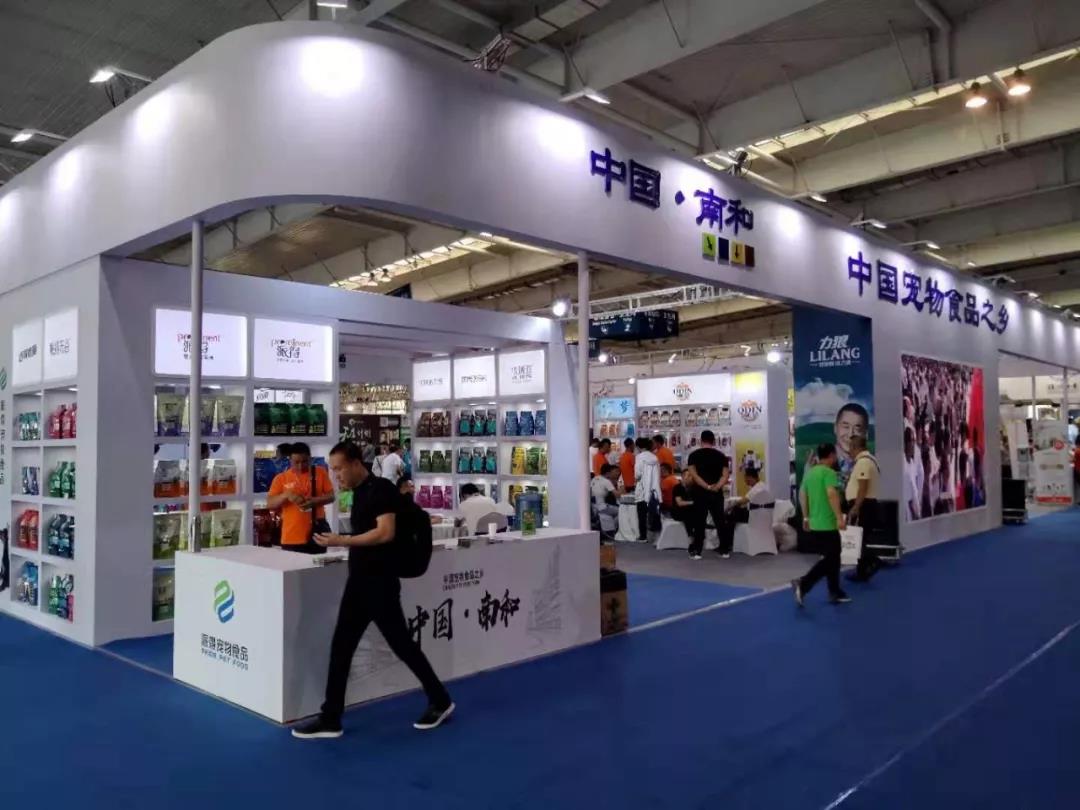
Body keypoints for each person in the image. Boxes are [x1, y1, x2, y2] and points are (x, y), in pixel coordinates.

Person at [292, 441, 453, 739]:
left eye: (339, 468)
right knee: (342, 648)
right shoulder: (360, 493)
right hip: (360, 583)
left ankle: (440, 699)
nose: (336, 475)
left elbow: (385, 532)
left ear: (356, 463)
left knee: (401, 645)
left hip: (379, 583)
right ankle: (331, 717)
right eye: (333, 469)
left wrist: (342, 541)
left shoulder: (380, 490)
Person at [792, 443, 850, 607]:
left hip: (815, 524)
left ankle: (834, 591)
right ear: (831, 455)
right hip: (828, 523)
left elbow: (803, 495)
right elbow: (832, 494)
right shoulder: (829, 473)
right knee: (831, 559)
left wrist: (805, 518)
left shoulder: (810, 473)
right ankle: (803, 584)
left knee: (833, 558)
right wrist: (839, 517)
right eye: (835, 455)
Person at [266, 442, 336, 553]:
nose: (300, 466)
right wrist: (286, 495)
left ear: (310, 459)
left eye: (304, 462)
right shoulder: (281, 478)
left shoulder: (320, 472)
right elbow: (270, 504)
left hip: (317, 534)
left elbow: (331, 496)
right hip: (291, 537)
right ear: (290, 460)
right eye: (296, 462)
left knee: (316, 564)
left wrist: (315, 501)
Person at [686, 430, 731, 560]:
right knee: (720, 520)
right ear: (714, 441)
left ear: (701, 441)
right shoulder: (721, 456)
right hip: (716, 493)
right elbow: (725, 476)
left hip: (700, 493)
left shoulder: (693, 455)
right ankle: (724, 550)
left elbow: (694, 475)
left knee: (699, 521)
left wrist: (706, 486)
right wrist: (716, 487)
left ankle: (697, 551)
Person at [803, 403, 870, 488]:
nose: (850, 434)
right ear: (835, 428)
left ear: (866, 434)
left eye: (857, 428)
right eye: (845, 426)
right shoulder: (818, 462)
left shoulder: (869, 463)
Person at [845, 435, 881, 582]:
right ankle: (862, 571)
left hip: (864, 505)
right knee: (861, 538)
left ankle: (874, 560)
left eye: (850, 447)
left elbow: (863, 487)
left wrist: (856, 506)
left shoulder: (863, 462)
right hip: (867, 504)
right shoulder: (870, 460)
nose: (849, 451)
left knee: (859, 539)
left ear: (856, 447)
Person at [634, 436, 661, 543]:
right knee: (654, 511)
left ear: (638, 446)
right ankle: (657, 535)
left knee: (642, 513)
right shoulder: (655, 457)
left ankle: (643, 536)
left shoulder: (639, 457)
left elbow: (637, 474)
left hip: (642, 488)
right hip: (654, 487)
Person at [591, 463, 623, 534]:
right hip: (602, 507)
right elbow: (617, 495)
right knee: (622, 511)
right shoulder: (606, 481)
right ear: (608, 473)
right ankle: (613, 530)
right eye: (612, 472)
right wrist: (621, 486)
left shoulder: (594, 479)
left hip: (593, 506)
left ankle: (609, 529)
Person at [671, 468, 695, 536]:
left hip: (689, 510)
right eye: (689, 475)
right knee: (689, 514)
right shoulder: (677, 488)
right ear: (683, 477)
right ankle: (690, 534)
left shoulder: (693, 487)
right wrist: (693, 502)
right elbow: (680, 503)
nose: (691, 478)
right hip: (678, 511)